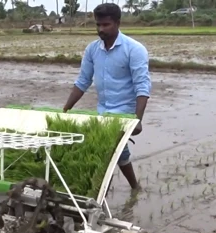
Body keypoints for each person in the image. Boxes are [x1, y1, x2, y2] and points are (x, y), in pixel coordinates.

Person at [62, 3, 151, 190]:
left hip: (125, 112)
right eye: (98, 25)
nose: (100, 29)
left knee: (105, 153)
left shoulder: (134, 49)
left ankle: (97, 198)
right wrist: (65, 109)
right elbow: (82, 82)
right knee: (118, 151)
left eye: (105, 25)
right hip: (103, 110)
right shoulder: (93, 50)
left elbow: (142, 86)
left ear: (117, 23)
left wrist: (137, 120)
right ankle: (135, 187)